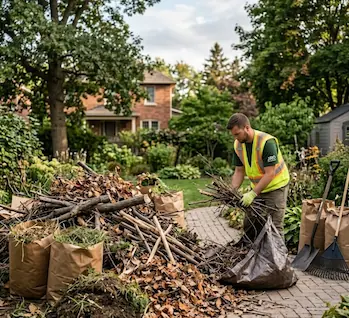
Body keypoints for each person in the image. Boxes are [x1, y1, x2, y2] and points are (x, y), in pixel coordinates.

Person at [227, 113, 290, 239]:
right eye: (233, 135)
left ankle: (279, 258)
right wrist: (232, 191)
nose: (235, 137)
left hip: (276, 187)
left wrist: (252, 194)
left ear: (247, 128)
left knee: (274, 227)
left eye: (237, 133)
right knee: (250, 224)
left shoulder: (267, 142)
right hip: (258, 187)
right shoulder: (238, 145)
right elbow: (239, 171)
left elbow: (270, 173)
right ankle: (250, 254)